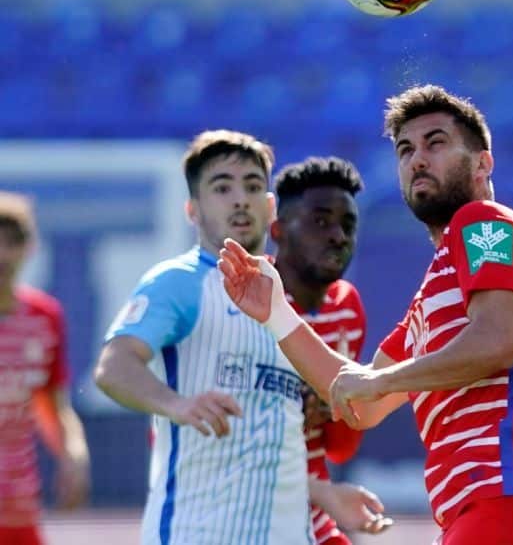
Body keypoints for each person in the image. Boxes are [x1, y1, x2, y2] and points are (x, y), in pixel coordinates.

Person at [218, 85, 513, 544]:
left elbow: (497, 342)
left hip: (509, 492)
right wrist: (276, 315)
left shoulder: (485, 221)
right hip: (490, 505)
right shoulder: (438, 285)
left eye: (436, 143)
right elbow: (362, 403)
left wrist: (382, 381)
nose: (417, 160)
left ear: (483, 163)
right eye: (406, 149)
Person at [92, 129, 316, 544]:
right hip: (198, 531)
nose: (239, 199)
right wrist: (176, 403)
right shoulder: (178, 282)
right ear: (192, 210)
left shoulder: (288, 296)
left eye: (252, 186)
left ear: (270, 207)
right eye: (221, 187)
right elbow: (113, 367)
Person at [271, 156, 391, 542]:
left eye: (348, 225)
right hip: (244, 510)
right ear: (278, 230)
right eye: (320, 221)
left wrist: (333, 406)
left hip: (313, 513)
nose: (338, 235)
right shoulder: (249, 302)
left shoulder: (346, 306)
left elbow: (340, 448)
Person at [0, 192, 90, 545]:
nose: (3, 255)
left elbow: (52, 404)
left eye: (13, 242)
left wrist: (73, 455)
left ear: (30, 248)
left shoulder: (45, 317)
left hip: (20, 506)